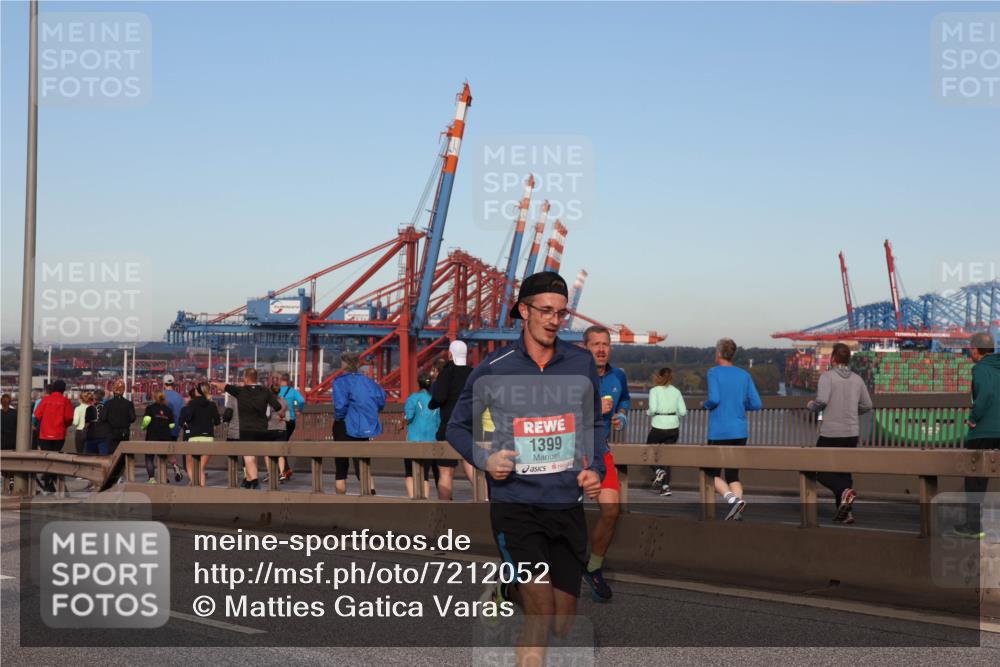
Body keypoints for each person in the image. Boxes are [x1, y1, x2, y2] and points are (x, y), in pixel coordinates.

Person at [446, 271, 605, 666]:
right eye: (545, 311)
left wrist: (594, 466)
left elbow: (593, 424)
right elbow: (456, 426)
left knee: (562, 622)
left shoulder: (580, 363)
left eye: (561, 313)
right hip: (516, 504)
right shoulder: (493, 368)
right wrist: (486, 459)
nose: (554, 320)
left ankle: (507, 588)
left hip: (566, 503)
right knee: (541, 613)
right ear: (523, 310)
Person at [581, 324, 630, 602]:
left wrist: (621, 416)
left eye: (606, 344)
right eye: (595, 344)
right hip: (571, 452)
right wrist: (594, 409)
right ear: (585, 347)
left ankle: (594, 568)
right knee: (561, 516)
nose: (601, 349)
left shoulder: (617, 376)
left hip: (601, 451)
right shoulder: (572, 375)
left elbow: (624, 399)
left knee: (611, 511)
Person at [807, 343, 873, 525]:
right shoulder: (858, 379)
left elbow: (821, 401)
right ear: (848, 360)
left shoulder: (827, 377)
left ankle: (843, 493)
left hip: (831, 433)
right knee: (844, 474)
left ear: (833, 359)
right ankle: (846, 514)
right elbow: (868, 405)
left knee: (820, 471)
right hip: (851, 432)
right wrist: (852, 412)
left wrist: (810, 406)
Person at [703, 338, 763, 520]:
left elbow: (714, 399)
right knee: (733, 474)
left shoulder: (713, 372)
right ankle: (737, 512)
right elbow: (757, 403)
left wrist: (705, 405)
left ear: (719, 353)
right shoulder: (744, 375)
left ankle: (733, 501)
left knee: (710, 474)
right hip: (740, 431)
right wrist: (740, 407)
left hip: (720, 431)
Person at [955, 332, 1000, 539]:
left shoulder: (980, 369)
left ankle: (973, 527)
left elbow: (987, 393)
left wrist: (973, 418)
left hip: (984, 432)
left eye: (970, 349)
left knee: (975, 479)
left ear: (975, 350)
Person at [212, 368, 281, 489]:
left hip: (246, 430)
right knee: (255, 456)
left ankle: (254, 481)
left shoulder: (240, 391)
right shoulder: (265, 391)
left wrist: (214, 383)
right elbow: (278, 406)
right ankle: (249, 481)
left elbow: (224, 386)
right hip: (262, 429)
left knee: (249, 456)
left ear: (246, 378)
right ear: (257, 378)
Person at [332, 352, 386, 495]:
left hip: (344, 425)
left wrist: (339, 418)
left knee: (341, 466)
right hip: (364, 426)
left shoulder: (340, 381)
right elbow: (381, 400)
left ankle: (341, 501)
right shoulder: (369, 382)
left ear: (343, 365)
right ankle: (370, 495)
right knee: (363, 464)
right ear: (357, 365)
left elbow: (340, 406)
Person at [429, 340, 475, 500]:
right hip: (470, 428)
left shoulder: (447, 373)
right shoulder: (473, 373)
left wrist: (432, 404)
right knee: (472, 468)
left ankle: (445, 511)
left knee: (446, 473)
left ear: (450, 355)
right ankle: (484, 502)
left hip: (449, 428)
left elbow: (439, 397)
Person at [647, 367, 687, 496]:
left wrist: (648, 412)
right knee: (667, 458)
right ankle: (665, 487)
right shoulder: (676, 391)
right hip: (673, 428)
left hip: (658, 427)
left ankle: (658, 471)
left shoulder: (654, 390)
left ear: (658, 376)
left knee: (648, 452)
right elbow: (683, 412)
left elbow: (652, 409)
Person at [32, 379, 74, 492]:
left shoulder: (46, 400)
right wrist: (64, 425)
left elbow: (37, 415)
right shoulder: (66, 401)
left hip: (45, 434)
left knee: (47, 458)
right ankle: (51, 480)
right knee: (55, 459)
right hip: (59, 434)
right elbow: (69, 418)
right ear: (63, 390)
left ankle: (48, 481)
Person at [403, 373, 439, 498]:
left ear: (419, 383)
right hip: (430, 440)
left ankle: (414, 500)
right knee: (425, 475)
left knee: (409, 473)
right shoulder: (435, 400)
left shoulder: (413, 398)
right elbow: (438, 422)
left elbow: (409, 416)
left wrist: (404, 421)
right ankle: (425, 500)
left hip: (413, 440)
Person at [185, 382, 221, 487]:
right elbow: (218, 421)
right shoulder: (212, 404)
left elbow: (187, 418)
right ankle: (201, 489)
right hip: (208, 438)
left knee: (190, 464)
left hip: (194, 437)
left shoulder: (192, 403)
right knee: (201, 468)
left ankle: (195, 483)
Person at [141, 392, 176, 483]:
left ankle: (152, 479)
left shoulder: (150, 408)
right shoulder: (168, 409)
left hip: (152, 436)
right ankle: (165, 477)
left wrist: (143, 427)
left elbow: (147, 420)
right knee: (163, 458)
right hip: (165, 436)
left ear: (154, 397)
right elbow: (172, 425)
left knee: (149, 458)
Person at [277, 373, 305, 481]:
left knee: (280, 444)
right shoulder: (293, 391)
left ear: (280, 381)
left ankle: (284, 470)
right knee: (283, 443)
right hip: (291, 420)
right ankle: (286, 469)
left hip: (280, 420)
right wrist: (299, 410)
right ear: (288, 381)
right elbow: (302, 400)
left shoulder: (276, 391)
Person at [104, 380, 136, 454]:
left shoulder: (108, 404)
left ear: (114, 390)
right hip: (124, 432)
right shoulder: (128, 404)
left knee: (112, 454)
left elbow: (103, 418)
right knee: (123, 454)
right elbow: (132, 418)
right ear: (123, 391)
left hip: (111, 431)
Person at [85, 389, 111, 455]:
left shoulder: (89, 408)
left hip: (92, 436)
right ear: (102, 397)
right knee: (104, 459)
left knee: (90, 458)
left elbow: (86, 424)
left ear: (94, 397)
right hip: (104, 436)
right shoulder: (107, 407)